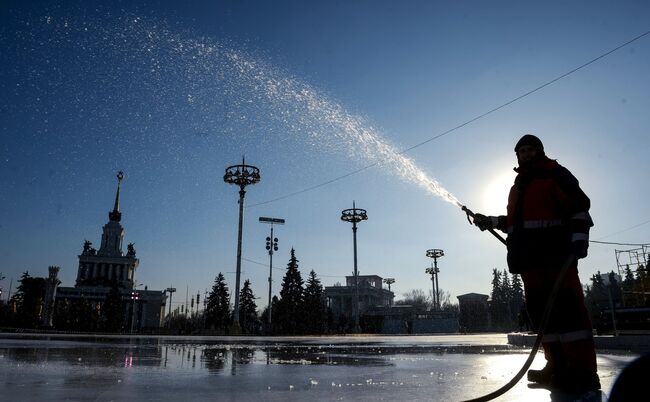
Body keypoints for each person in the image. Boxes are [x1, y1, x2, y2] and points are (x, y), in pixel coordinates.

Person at [473, 134, 599, 393]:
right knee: (544, 317)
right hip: (530, 261)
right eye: (521, 151)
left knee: (570, 314)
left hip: (556, 257)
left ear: (540, 151)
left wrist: (578, 242)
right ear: (516, 156)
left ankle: (584, 372)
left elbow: (580, 208)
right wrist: (492, 222)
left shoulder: (555, 174)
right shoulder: (518, 186)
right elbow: (516, 223)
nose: (526, 154)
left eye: (531, 150)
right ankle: (557, 366)